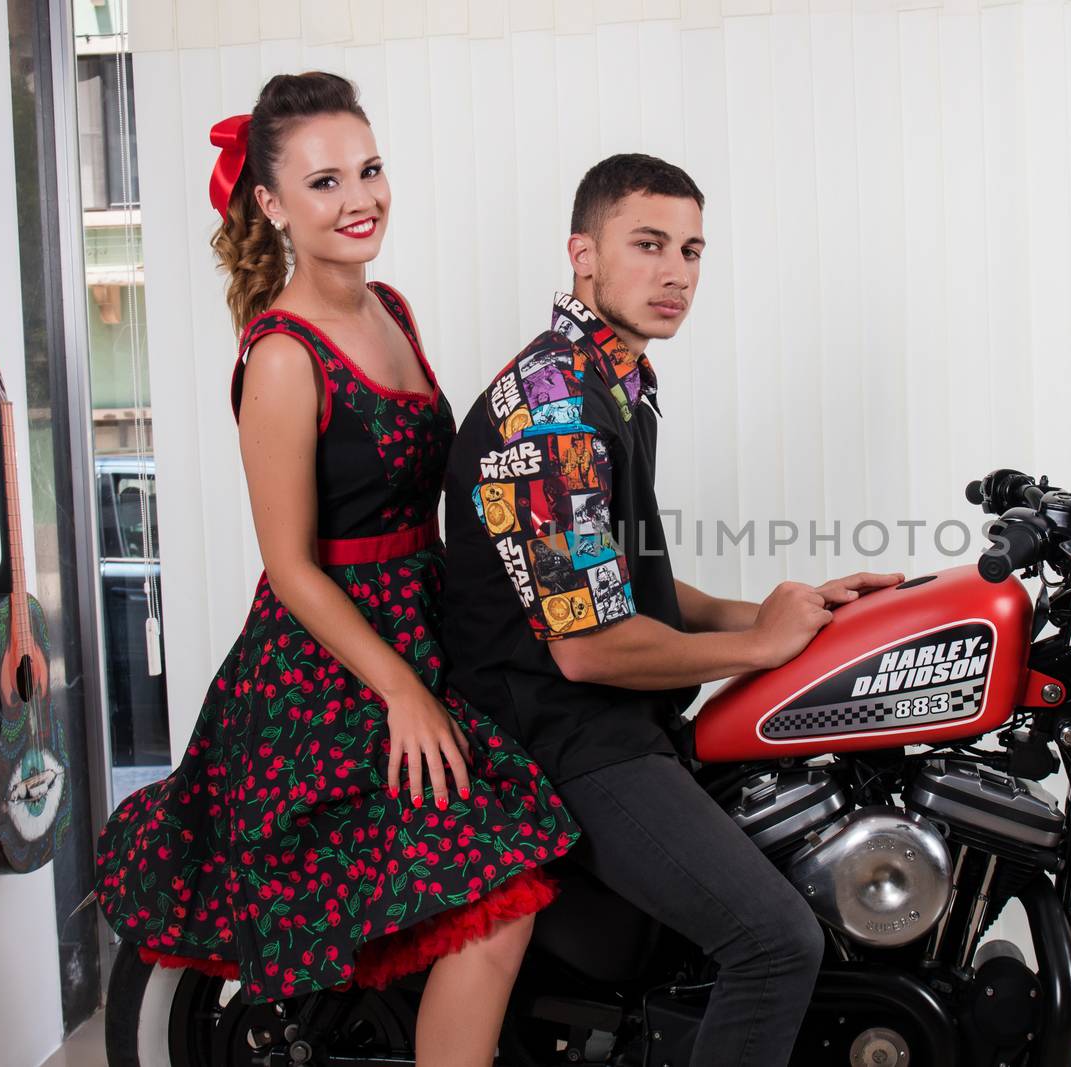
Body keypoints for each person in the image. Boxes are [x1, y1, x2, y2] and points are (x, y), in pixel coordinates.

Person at [94, 72, 577, 1067]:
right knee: (496, 896)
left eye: (369, 169)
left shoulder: (390, 305)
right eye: (324, 183)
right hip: (335, 664)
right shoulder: (280, 353)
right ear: (269, 203)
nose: (359, 199)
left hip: (429, 615)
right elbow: (290, 566)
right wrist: (400, 689)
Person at [442, 152, 900, 1066]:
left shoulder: (617, 381)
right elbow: (589, 646)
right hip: (561, 733)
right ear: (583, 253)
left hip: (608, 715)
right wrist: (759, 648)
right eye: (647, 245)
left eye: (692, 250)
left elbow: (625, 582)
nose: (676, 273)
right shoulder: (556, 411)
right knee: (776, 943)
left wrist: (786, 614)